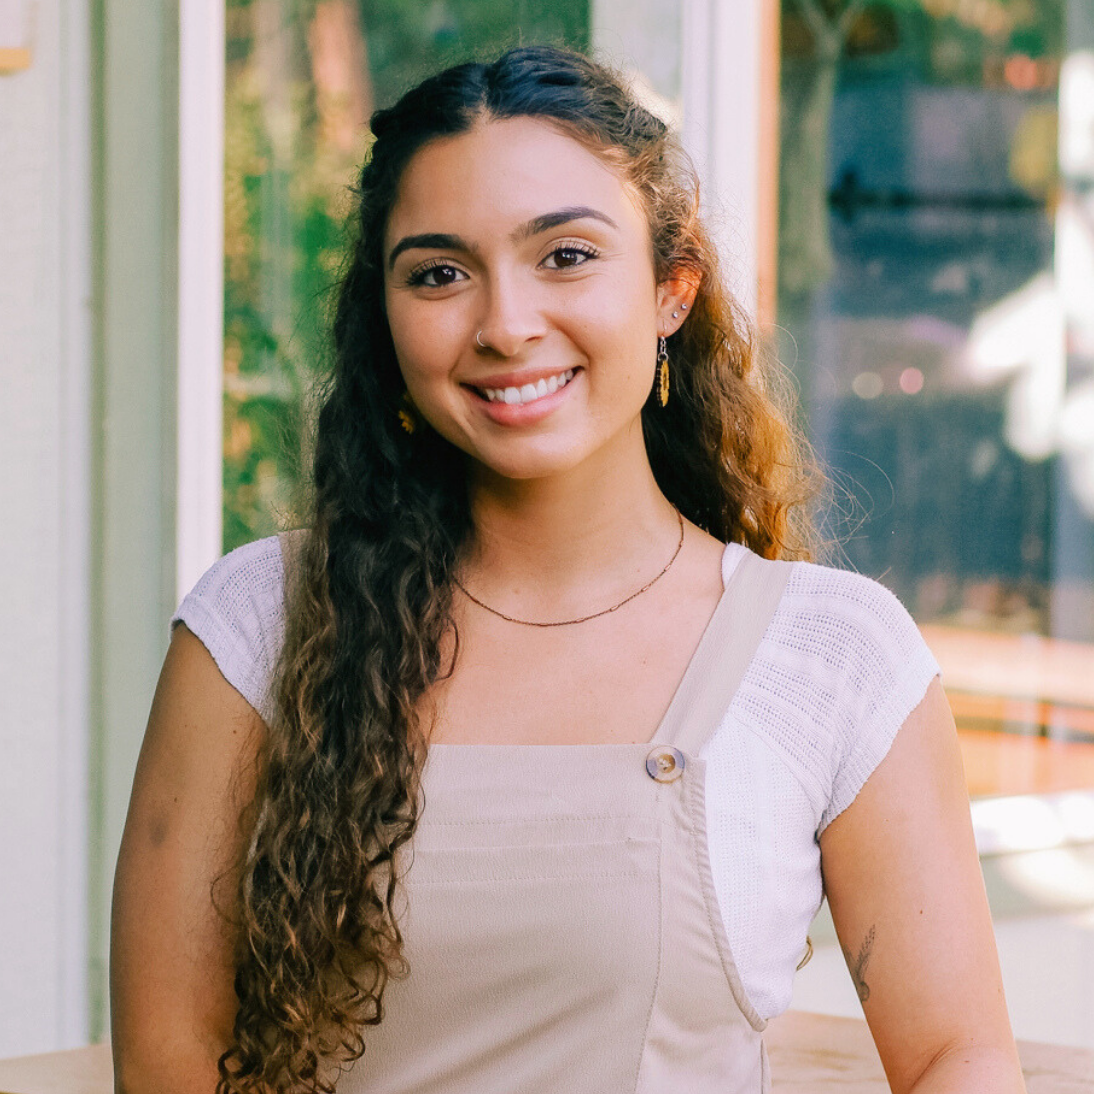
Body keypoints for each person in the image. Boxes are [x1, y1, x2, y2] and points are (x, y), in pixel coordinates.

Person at [110, 46, 1026, 1094]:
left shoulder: (830, 654)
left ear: (670, 289)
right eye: (439, 273)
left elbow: (959, 1057)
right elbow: (170, 1056)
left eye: (566, 255)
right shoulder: (258, 626)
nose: (505, 324)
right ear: (387, 316)